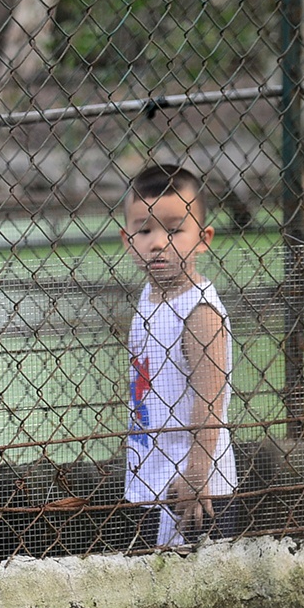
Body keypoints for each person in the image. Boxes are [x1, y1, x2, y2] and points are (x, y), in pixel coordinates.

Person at [120, 162, 236, 548]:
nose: (158, 243)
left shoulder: (199, 312)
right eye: (145, 230)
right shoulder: (148, 296)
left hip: (195, 491)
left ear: (202, 238)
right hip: (151, 478)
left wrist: (198, 472)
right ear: (127, 239)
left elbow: (210, 399)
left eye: (174, 229)